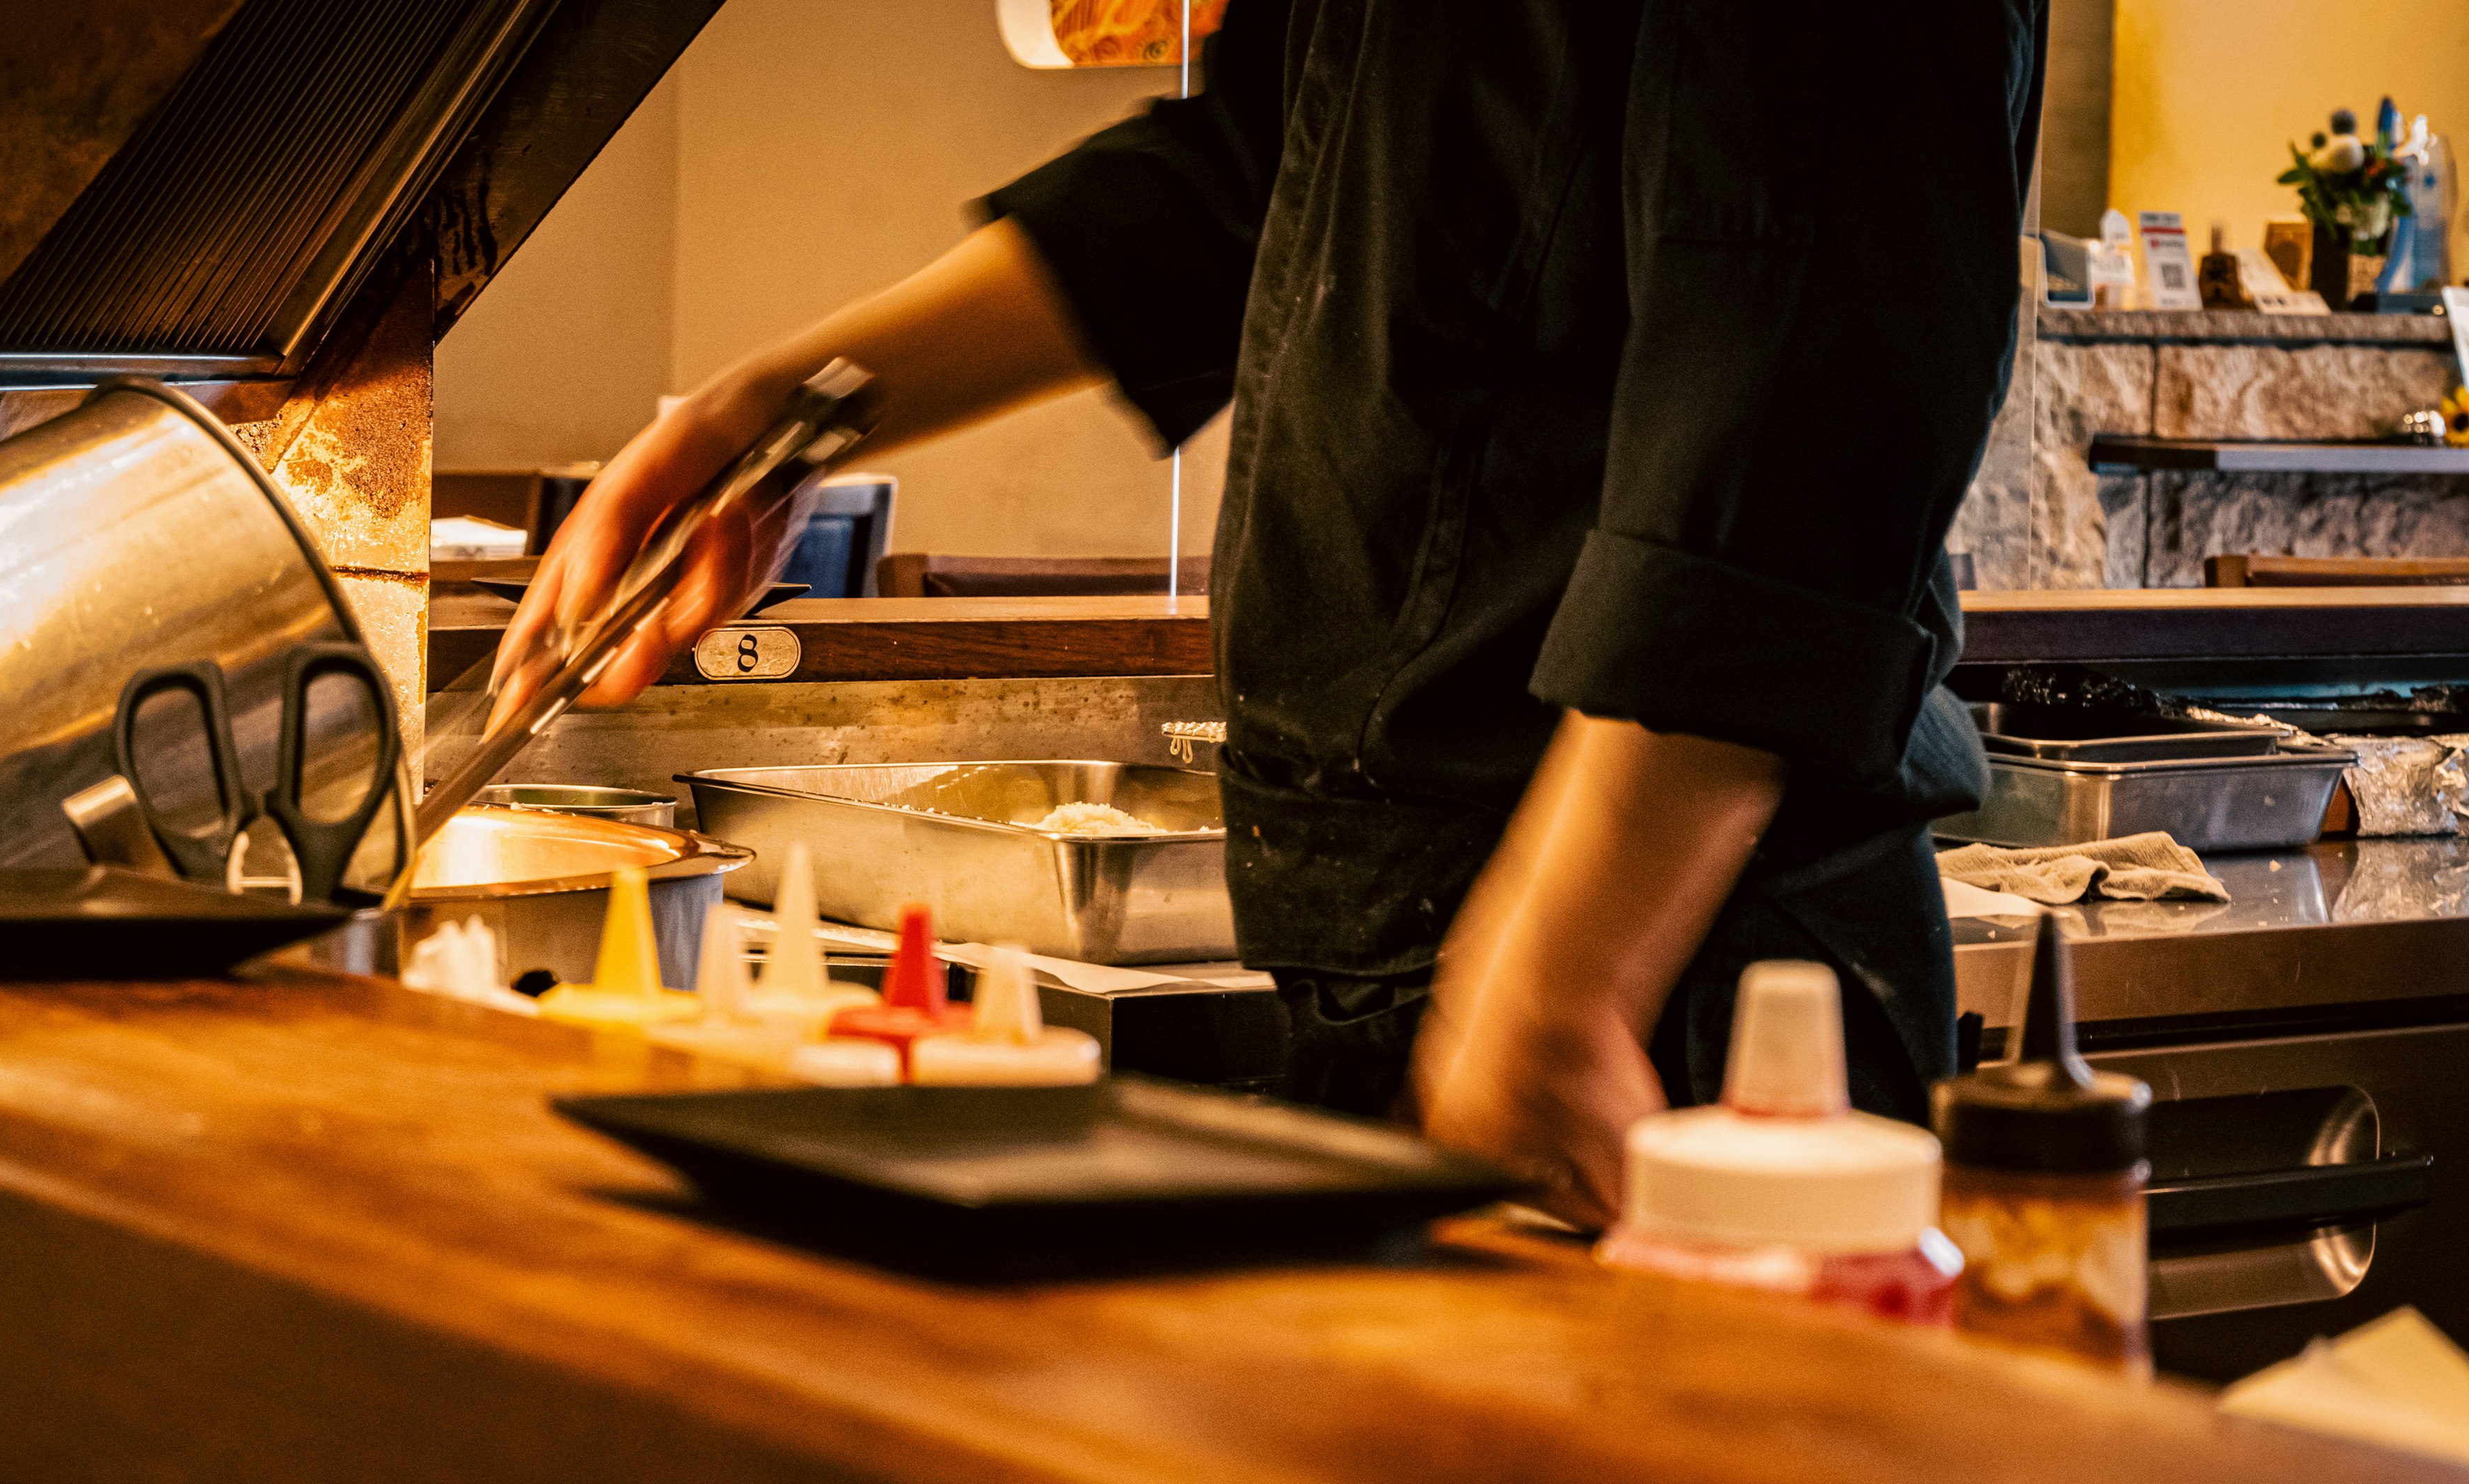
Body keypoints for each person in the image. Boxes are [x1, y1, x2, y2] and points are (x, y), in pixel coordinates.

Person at [492, 0, 2049, 1222]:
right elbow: (1247, 185)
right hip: (1406, 963)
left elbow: (1808, 397)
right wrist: (776, 417)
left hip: (1669, 980)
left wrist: (1566, 981)